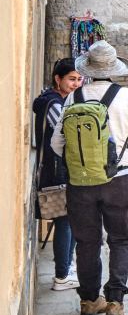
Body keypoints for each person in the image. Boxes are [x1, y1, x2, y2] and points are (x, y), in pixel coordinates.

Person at [51, 40, 128, 315]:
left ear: (89, 70)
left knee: (87, 242)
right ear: (114, 70)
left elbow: (58, 144)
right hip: (119, 179)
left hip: (80, 184)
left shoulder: (73, 98)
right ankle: (116, 302)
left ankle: (89, 300)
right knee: (121, 240)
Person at [33, 59, 83, 290]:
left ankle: (67, 266)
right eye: (71, 79)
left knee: (72, 219)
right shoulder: (54, 105)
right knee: (65, 220)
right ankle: (62, 274)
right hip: (57, 170)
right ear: (58, 79)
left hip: (62, 169)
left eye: (79, 79)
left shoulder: (59, 101)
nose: (76, 84)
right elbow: (67, 136)